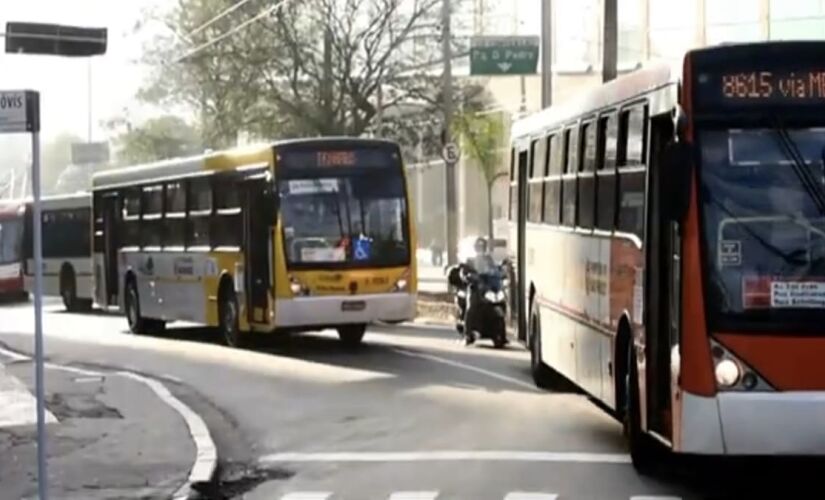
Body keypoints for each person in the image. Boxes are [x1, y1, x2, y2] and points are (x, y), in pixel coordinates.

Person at [460, 237, 497, 345]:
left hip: (487, 287)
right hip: (474, 288)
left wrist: (500, 274)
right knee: (471, 308)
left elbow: (495, 270)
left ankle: (499, 333)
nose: (481, 248)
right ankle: (467, 334)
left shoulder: (489, 259)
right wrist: (468, 276)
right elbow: (464, 272)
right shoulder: (470, 260)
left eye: (483, 246)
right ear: (475, 247)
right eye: (479, 246)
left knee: (498, 302)